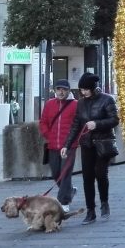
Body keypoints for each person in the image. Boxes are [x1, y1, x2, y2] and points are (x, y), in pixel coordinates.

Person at [62, 73, 119, 224]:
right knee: (87, 177)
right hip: (87, 144)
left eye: (86, 89)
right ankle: (90, 211)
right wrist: (66, 145)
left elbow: (115, 119)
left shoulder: (107, 99)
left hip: (103, 143)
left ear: (93, 88)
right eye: (81, 90)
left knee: (101, 173)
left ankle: (104, 203)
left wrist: (97, 124)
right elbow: (76, 125)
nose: (83, 92)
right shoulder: (80, 103)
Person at [39, 79, 78, 212]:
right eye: (58, 89)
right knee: (56, 173)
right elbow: (43, 122)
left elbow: (78, 124)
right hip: (53, 146)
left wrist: (72, 141)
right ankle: (69, 190)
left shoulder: (75, 105)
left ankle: (63, 202)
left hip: (69, 146)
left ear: (69, 91)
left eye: (64, 89)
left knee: (65, 173)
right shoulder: (49, 104)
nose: (61, 92)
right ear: (55, 91)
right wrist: (48, 136)